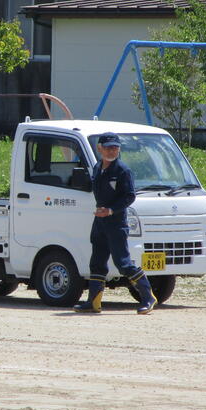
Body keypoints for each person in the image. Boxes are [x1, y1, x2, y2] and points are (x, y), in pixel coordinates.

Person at [74, 131, 157, 315]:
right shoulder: (97, 167)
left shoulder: (123, 171)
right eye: (108, 147)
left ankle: (148, 297)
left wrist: (111, 210)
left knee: (123, 263)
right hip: (99, 222)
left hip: (116, 223)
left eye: (115, 148)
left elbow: (129, 196)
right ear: (100, 148)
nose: (112, 151)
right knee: (97, 262)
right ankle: (94, 302)